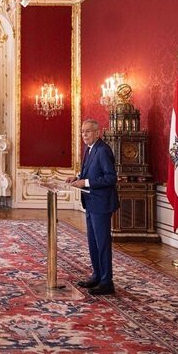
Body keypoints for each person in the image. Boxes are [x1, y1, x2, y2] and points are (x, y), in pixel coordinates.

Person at [66, 119, 119, 296]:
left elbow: (110, 178)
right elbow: (89, 172)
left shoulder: (103, 150)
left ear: (97, 133)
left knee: (102, 244)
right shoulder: (89, 149)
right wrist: (76, 177)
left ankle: (106, 282)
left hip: (101, 204)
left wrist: (85, 182)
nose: (84, 135)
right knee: (93, 242)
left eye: (88, 132)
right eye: (82, 132)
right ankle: (97, 276)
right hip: (90, 202)